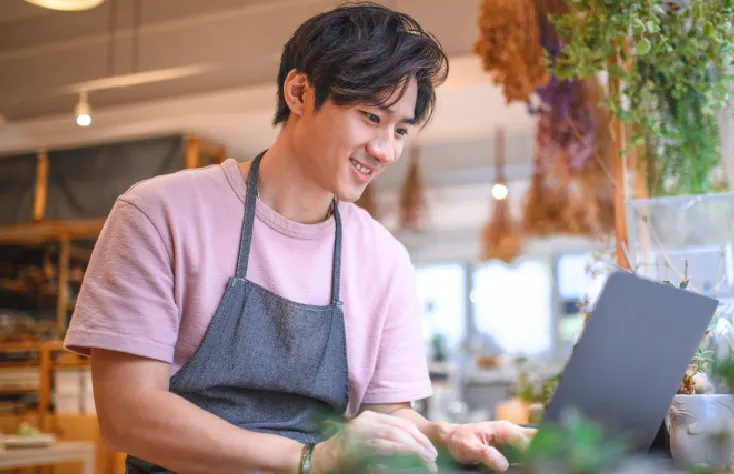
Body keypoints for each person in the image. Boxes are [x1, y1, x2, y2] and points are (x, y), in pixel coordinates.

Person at [64, 3, 534, 473]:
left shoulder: (383, 257)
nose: (386, 150)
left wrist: (444, 436)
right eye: (371, 117)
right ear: (300, 92)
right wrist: (307, 461)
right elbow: (127, 414)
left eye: (400, 130)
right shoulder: (159, 213)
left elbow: (388, 416)